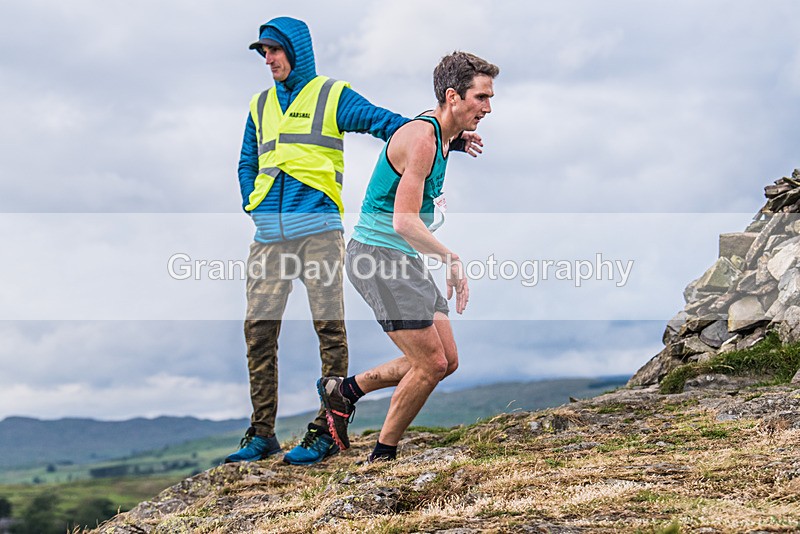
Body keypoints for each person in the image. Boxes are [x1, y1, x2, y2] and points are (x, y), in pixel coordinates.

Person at [228, 18, 482, 466]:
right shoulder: (259, 104)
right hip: (269, 234)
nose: (267, 59)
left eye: (273, 50)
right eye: (261, 52)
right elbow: (248, 159)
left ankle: (326, 430)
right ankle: (261, 432)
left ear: (295, 50)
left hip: (319, 230)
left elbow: (389, 126)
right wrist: (255, 205)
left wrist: (449, 138)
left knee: (329, 329)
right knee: (259, 331)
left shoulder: (331, 96)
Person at [317, 51, 499, 462]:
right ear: (453, 96)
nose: (488, 107)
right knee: (431, 363)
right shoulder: (423, 139)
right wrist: (451, 258)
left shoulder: (441, 134)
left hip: (402, 258)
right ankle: (382, 456)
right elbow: (403, 221)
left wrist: (457, 140)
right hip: (378, 256)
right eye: (481, 98)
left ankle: (344, 391)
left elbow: (430, 140)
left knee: (446, 360)